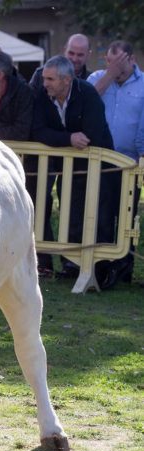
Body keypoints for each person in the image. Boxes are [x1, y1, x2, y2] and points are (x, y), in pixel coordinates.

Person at [31, 55, 113, 280]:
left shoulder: (87, 93)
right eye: (44, 78)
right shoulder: (42, 95)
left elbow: (91, 134)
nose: (45, 83)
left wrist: (66, 139)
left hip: (99, 166)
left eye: (50, 79)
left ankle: (104, 268)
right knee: (69, 211)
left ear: (66, 80)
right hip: (65, 166)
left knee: (100, 215)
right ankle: (71, 265)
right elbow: (38, 131)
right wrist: (68, 139)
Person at [87, 40, 143, 287]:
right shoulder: (97, 79)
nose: (113, 67)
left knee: (128, 217)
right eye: (109, 62)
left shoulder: (143, 84)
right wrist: (109, 75)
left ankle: (124, 269)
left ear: (131, 59)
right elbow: (87, 100)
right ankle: (102, 268)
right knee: (101, 215)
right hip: (101, 161)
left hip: (131, 163)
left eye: (118, 62)